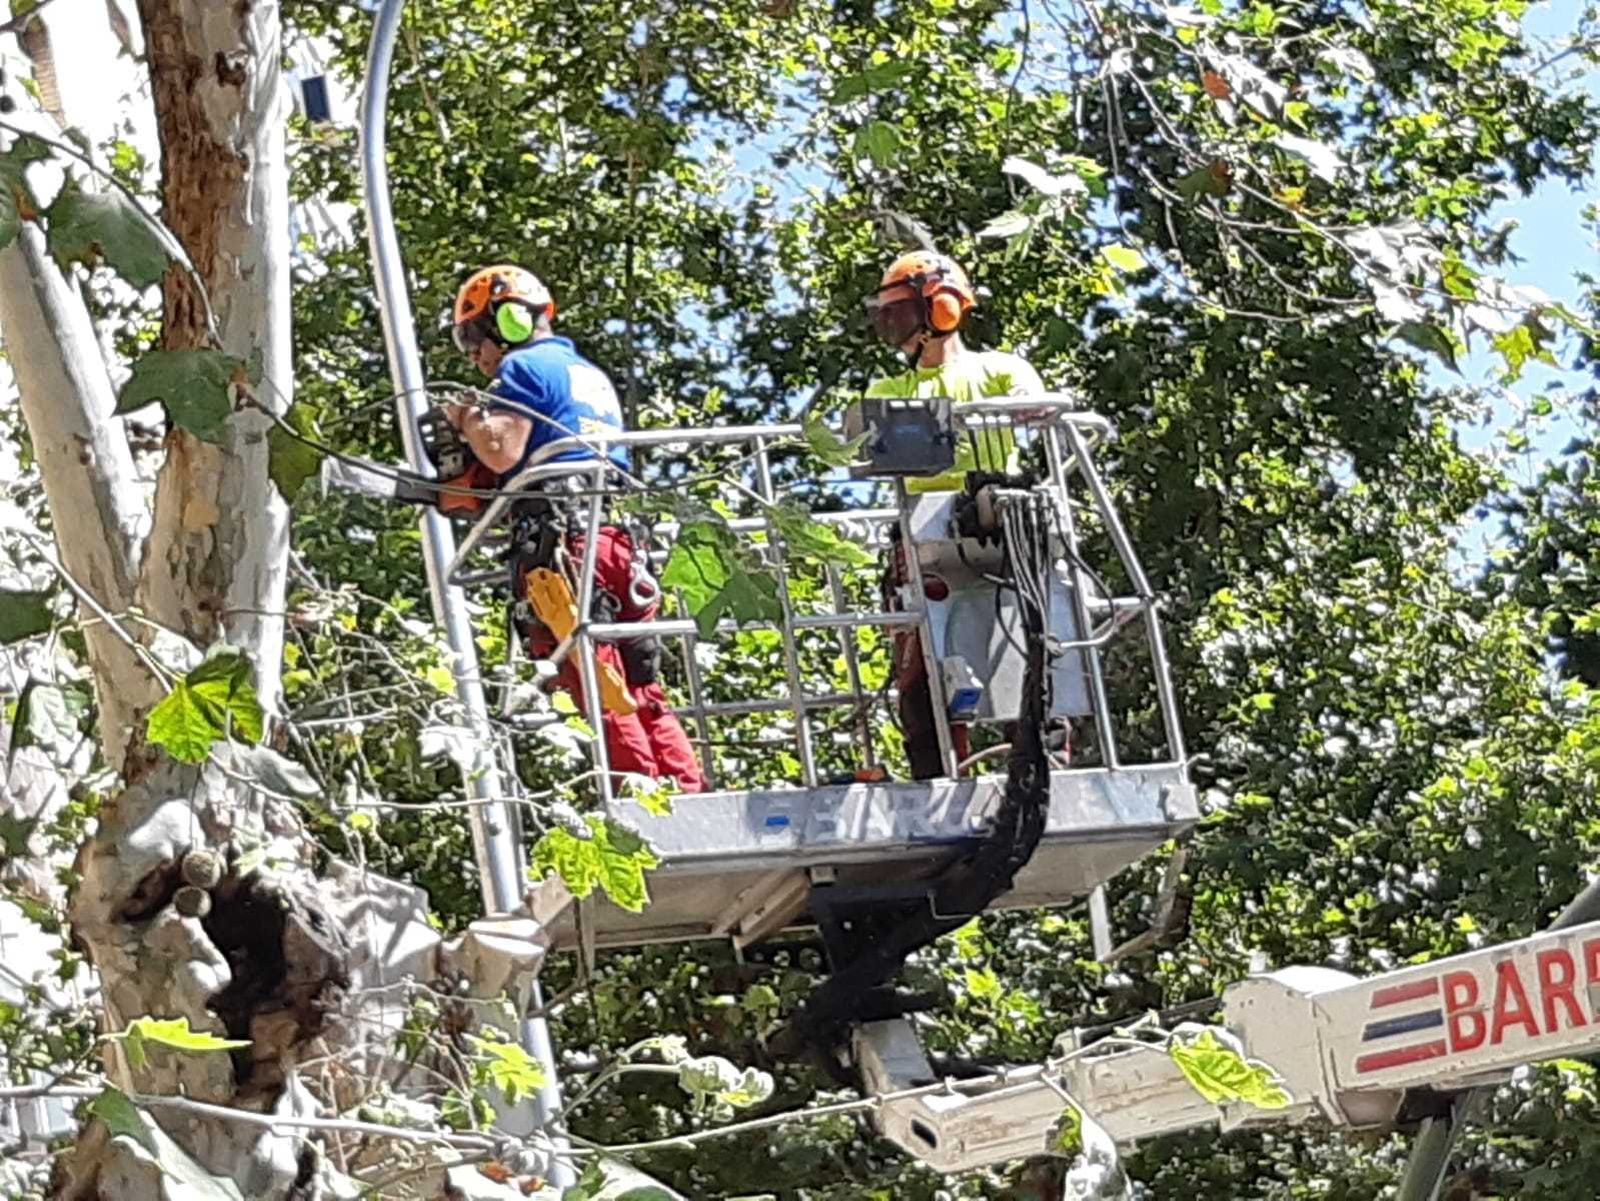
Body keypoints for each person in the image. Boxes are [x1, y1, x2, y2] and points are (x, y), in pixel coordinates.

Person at [445, 263, 705, 794]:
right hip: (614, 541)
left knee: (595, 679)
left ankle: (645, 801)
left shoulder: (522, 370)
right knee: (639, 682)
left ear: (510, 321)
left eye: (475, 336)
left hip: (563, 545)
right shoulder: (587, 374)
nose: (475, 355)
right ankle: (686, 788)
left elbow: (501, 450)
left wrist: (466, 419)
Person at [863, 250, 1047, 780]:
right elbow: (866, 435)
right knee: (922, 673)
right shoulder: (889, 390)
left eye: (901, 309)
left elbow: (1035, 406)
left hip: (1001, 528)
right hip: (919, 537)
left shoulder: (1000, 371)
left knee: (1027, 646)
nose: (892, 323)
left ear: (942, 308)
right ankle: (939, 781)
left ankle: (1041, 770)